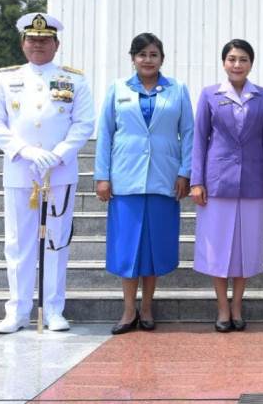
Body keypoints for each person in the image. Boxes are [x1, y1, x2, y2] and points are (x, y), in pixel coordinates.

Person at [0, 13, 95, 333]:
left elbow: (84, 123)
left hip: (59, 172)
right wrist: (25, 150)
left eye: (45, 40)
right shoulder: (5, 78)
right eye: (32, 39)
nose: (38, 44)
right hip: (21, 170)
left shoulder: (74, 80)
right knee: (18, 242)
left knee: (56, 242)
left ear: (56, 44)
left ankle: (55, 308)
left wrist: (59, 154)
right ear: (23, 43)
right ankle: (17, 310)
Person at [94, 33, 193, 334]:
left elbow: (188, 132)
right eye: (142, 54)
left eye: (153, 54)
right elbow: (106, 134)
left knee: (154, 248)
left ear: (161, 58)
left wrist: (185, 172)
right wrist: (102, 175)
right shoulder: (118, 90)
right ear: (133, 58)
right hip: (126, 180)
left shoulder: (177, 90)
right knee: (127, 248)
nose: (147, 60)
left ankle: (147, 308)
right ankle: (127, 310)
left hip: (163, 179)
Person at [191, 39, 263, 332]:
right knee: (218, 247)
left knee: (245, 247)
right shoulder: (210, 95)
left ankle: (237, 304)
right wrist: (197, 181)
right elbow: (200, 139)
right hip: (217, 182)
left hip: (252, 181)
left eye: (243, 60)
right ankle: (222, 307)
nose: (237, 65)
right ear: (224, 62)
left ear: (251, 63)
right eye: (231, 59)